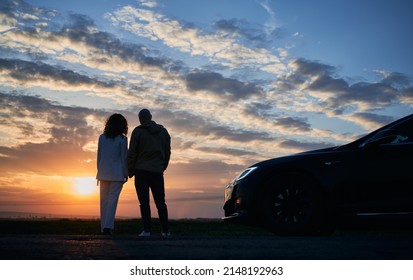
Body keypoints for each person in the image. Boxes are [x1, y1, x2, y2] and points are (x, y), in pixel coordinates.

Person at [127, 109, 171, 237]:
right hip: (157, 171)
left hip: (141, 171)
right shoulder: (163, 132)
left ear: (140, 119)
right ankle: (166, 231)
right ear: (151, 117)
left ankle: (147, 230)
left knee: (144, 202)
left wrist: (130, 170)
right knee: (161, 203)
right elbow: (167, 152)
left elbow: (132, 153)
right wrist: (162, 167)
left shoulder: (138, 131)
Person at [96, 113, 128, 235]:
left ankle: (103, 227)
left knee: (103, 201)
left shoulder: (102, 138)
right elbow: (124, 158)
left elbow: (99, 157)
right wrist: (126, 173)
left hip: (103, 173)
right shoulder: (123, 139)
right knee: (112, 200)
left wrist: (98, 172)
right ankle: (108, 227)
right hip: (117, 174)